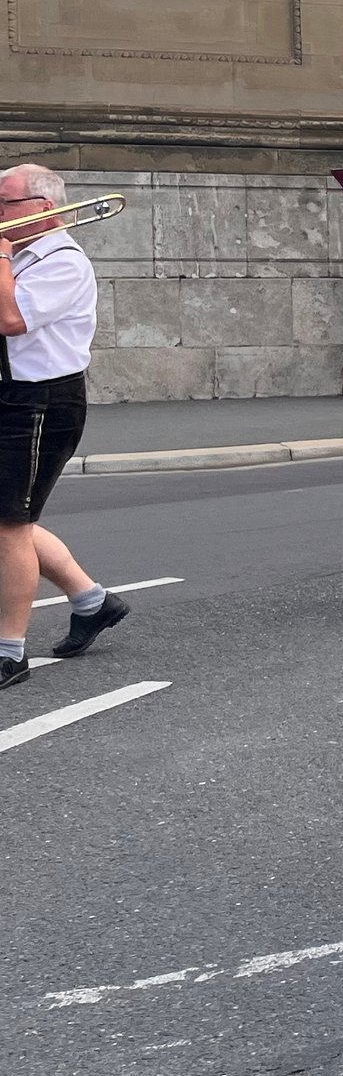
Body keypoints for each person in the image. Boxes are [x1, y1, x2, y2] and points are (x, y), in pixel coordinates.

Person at [0, 165, 134, 687]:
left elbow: (10, 320)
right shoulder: (19, 255)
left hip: (40, 404)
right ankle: (91, 601)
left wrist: (1, 254)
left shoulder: (63, 261)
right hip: (10, 394)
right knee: (14, 519)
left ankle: (9, 652)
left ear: (39, 207)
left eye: (5, 203)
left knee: (10, 524)